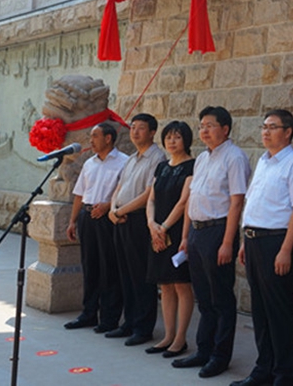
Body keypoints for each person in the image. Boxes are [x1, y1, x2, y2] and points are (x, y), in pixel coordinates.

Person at [234, 109, 293, 386]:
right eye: (263, 127)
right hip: (255, 241)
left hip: (277, 241)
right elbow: (255, 204)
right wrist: (245, 241)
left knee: (280, 311)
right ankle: (263, 369)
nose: (265, 132)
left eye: (273, 127)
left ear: (288, 132)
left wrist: (286, 249)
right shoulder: (264, 162)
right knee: (261, 310)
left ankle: (284, 374)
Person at [172, 106, 251, 379]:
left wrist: (228, 241)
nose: (204, 130)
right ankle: (203, 350)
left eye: (210, 125)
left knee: (221, 298)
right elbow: (192, 199)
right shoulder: (202, 159)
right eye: (201, 125)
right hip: (196, 232)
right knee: (203, 297)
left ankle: (220, 355)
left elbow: (236, 202)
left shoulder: (235, 157)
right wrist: (185, 237)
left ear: (225, 129)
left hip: (218, 232)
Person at [105, 113, 166, 345]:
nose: (135, 132)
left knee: (141, 275)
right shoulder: (131, 159)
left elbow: (149, 194)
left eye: (141, 128)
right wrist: (113, 208)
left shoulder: (157, 158)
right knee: (125, 274)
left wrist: (120, 211)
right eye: (132, 128)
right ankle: (128, 323)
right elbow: (119, 186)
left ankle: (143, 327)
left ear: (152, 132)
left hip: (138, 220)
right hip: (119, 219)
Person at [64, 123, 128, 332]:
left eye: (95, 136)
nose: (90, 141)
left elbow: (127, 193)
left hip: (107, 218)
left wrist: (108, 205)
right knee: (89, 266)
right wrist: (73, 221)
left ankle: (109, 318)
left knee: (109, 268)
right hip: (87, 216)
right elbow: (80, 194)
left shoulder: (124, 162)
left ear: (108, 138)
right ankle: (88, 313)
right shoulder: (89, 163)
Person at [145, 120, 195, 358]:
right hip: (157, 231)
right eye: (168, 137)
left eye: (177, 137)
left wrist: (164, 227)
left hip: (177, 231)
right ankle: (167, 335)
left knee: (181, 285)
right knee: (164, 285)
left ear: (186, 139)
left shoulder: (191, 167)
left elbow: (184, 201)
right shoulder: (161, 167)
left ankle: (181, 338)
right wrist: (152, 224)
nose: (172, 141)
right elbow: (151, 198)